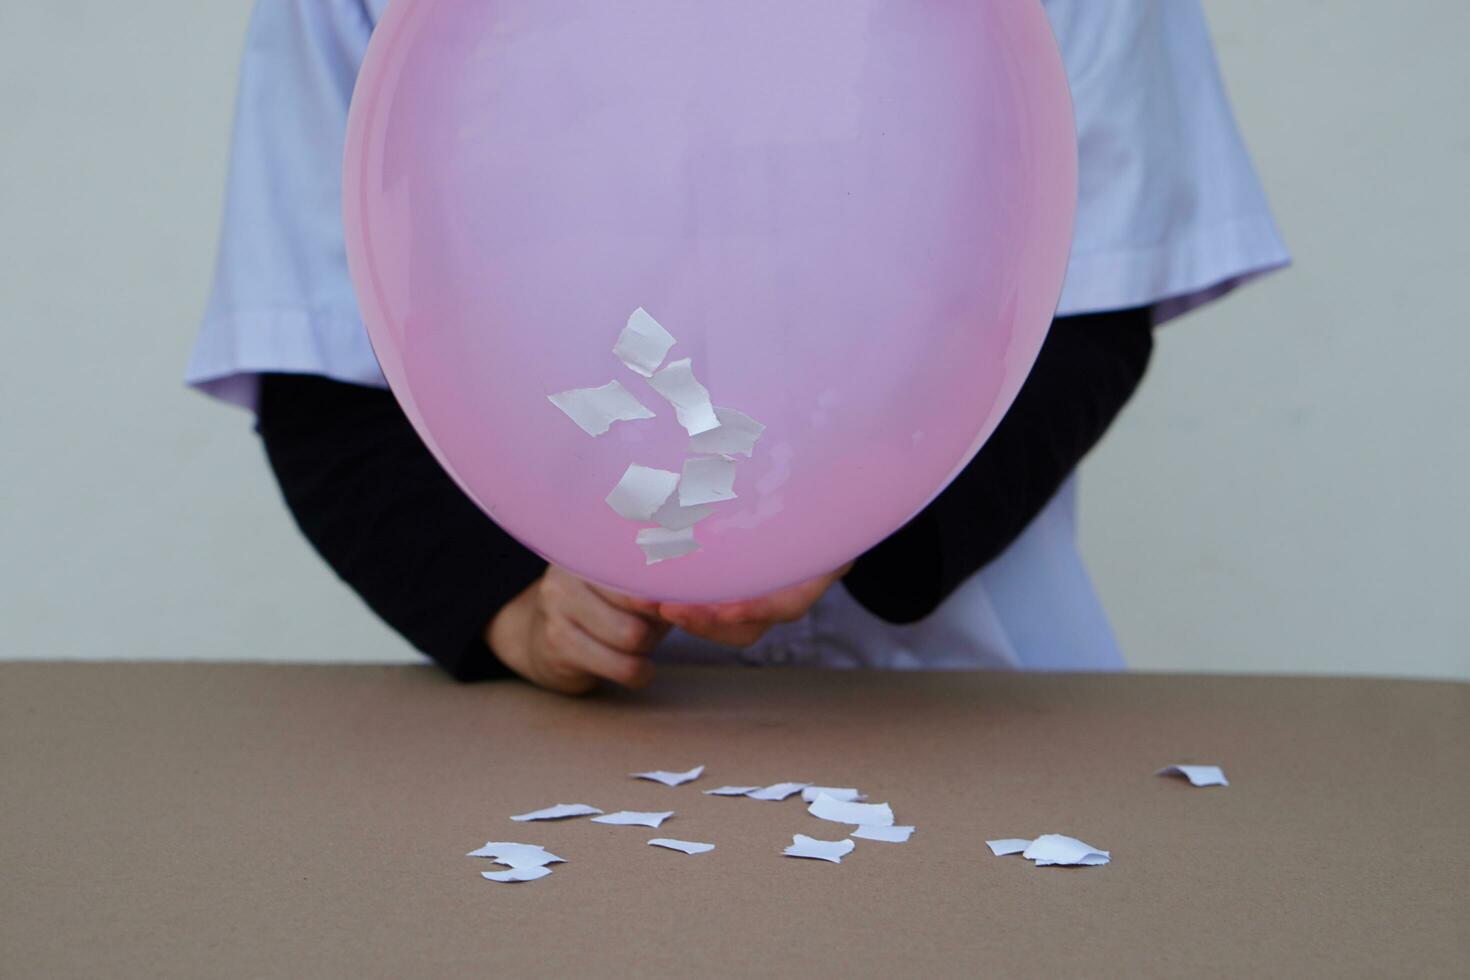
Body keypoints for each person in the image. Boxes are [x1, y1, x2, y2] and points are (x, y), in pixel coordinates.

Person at [187, 0, 1288, 693]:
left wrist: (864, 529)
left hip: (960, 702)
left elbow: (1094, 300)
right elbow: (321, 350)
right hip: (564, 743)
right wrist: (503, 605)